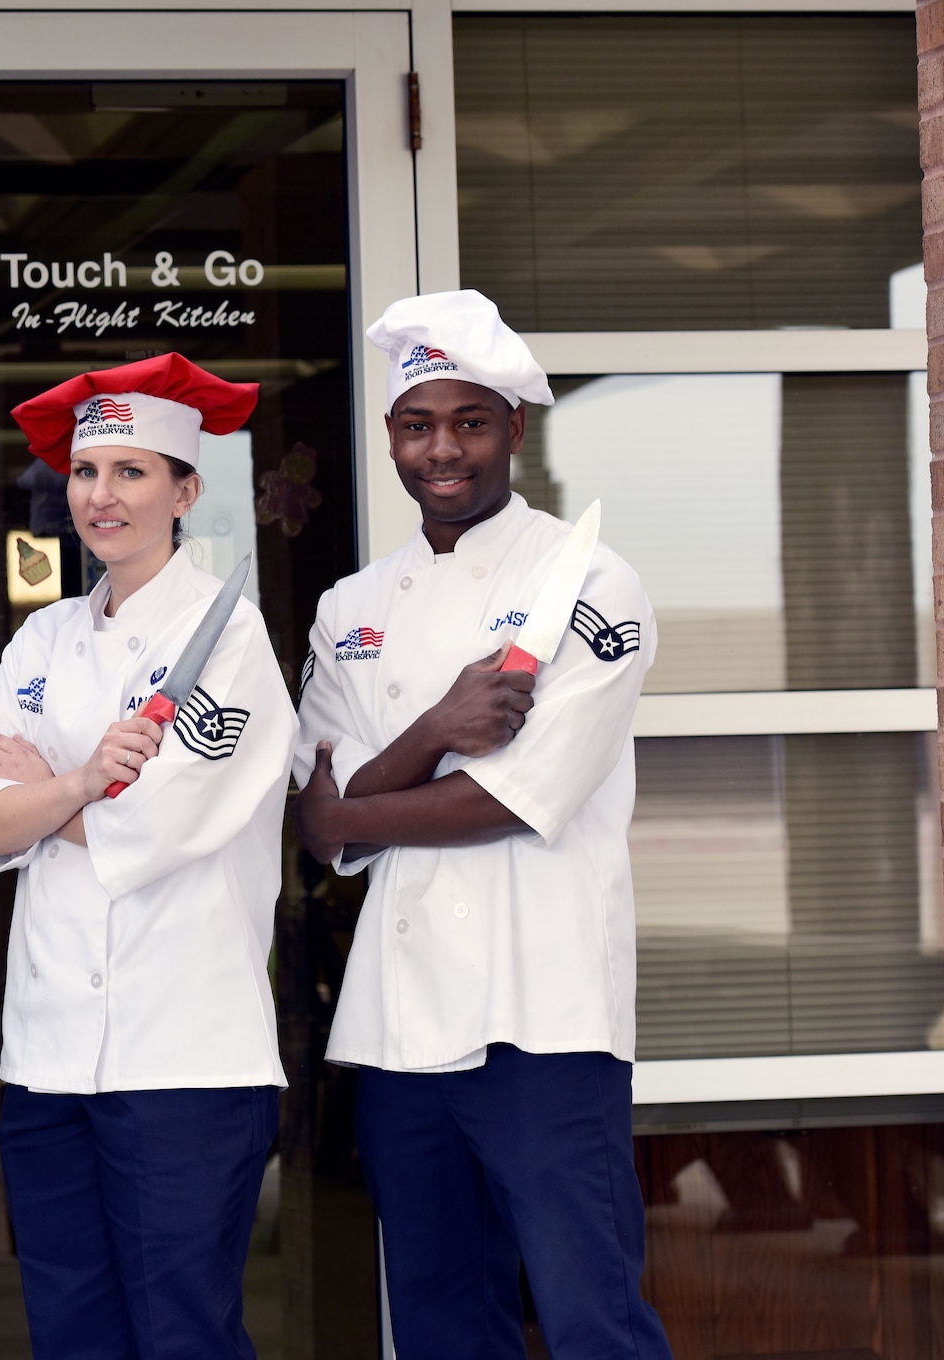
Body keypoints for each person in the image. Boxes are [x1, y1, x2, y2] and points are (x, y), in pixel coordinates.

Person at [291, 290, 671, 1359]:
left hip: (540, 1014)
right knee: (442, 1319)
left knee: (591, 1313)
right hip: (400, 1023)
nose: (441, 449)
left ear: (513, 427)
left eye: (468, 421)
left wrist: (365, 798)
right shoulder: (350, 606)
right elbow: (323, 829)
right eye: (417, 424)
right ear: (388, 439)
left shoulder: (588, 581)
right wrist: (442, 722)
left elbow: (512, 799)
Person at [0, 354, 297, 1360]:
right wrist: (81, 783)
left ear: (184, 491)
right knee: (70, 1331)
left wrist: (43, 794)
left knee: (181, 1332)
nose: (101, 496)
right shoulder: (40, 641)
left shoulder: (226, 642)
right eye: (87, 472)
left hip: (181, 1053)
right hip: (50, 1055)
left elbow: (163, 824)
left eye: (131, 472)